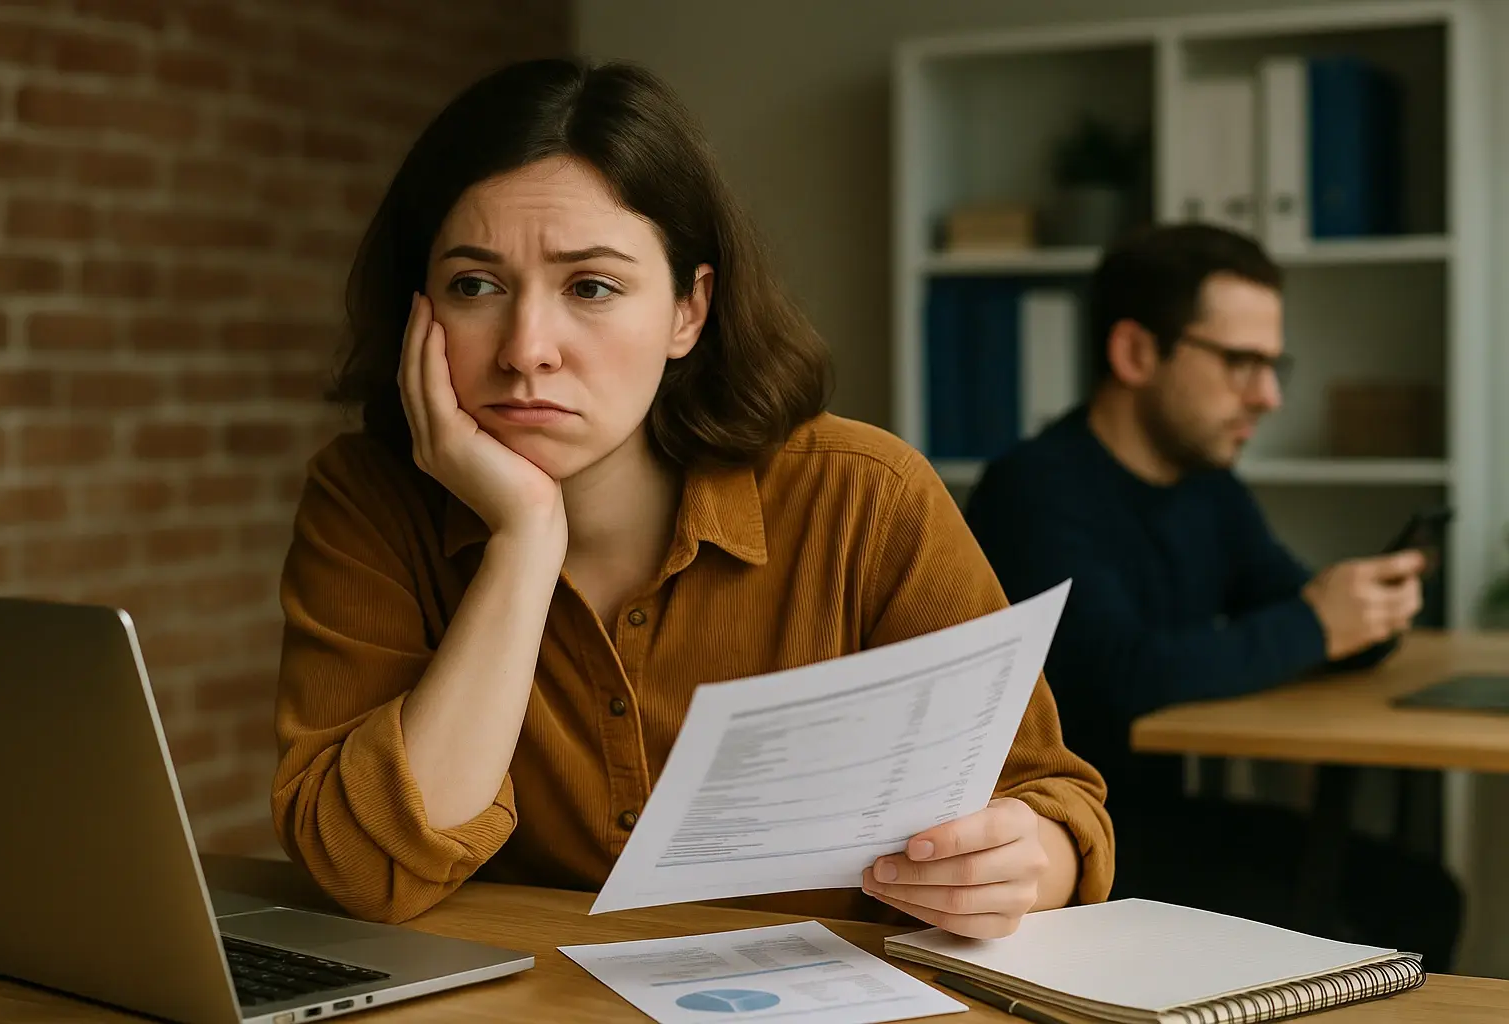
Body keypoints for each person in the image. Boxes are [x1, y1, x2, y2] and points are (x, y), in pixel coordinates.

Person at [271, 58, 1113, 936]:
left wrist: (1023, 863)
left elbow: (1049, 800)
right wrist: (523, 543)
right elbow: (360, 872)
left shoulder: (865, 498)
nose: (527, 349)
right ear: (422, 311)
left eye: (590, 287)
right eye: (474, 285)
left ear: (688, 310)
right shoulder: (367, 499)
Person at [964, 223, 1459, 968]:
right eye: (1240, 363)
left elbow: (1288, 604)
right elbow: (1123, 678)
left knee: (1423, 895)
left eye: (1272, 365)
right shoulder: (1036, 489)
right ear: (1135, 352)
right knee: (1368, 918)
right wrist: (1319, 625)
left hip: (1159, 820)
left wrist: (1367, 613)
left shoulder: (1207, 486)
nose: (1267, 395)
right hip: (1063, 842)